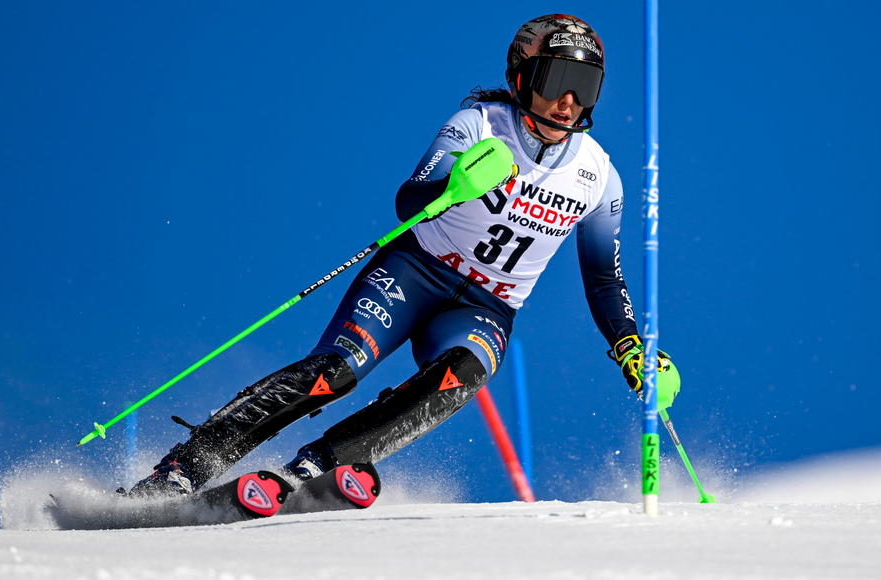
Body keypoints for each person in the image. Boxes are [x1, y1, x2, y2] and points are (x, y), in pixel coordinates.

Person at [130, 13, 680, 497]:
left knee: (460, 375)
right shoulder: (478, 126)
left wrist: (630, 345)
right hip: (414, 271)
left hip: (486, 309)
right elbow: (408, 199)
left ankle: (322, 464)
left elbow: (603, 278)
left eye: (587, 86)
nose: (570, 101)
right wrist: (452, 187)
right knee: (333, 373)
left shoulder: (599, 177)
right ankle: (181, 470)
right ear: (522, 77)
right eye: (559, 80)